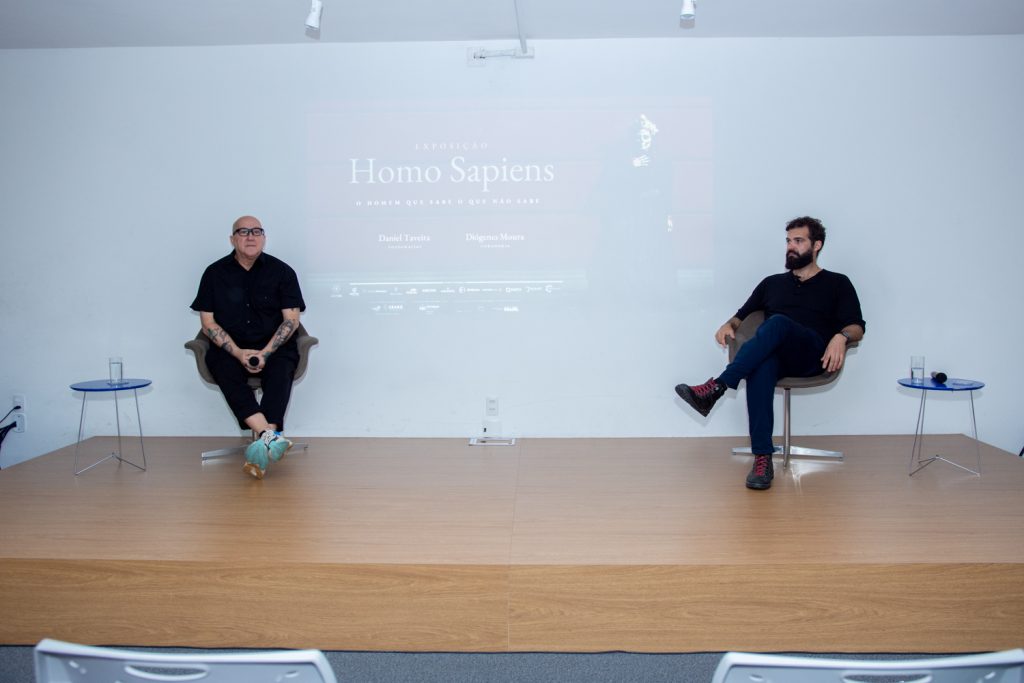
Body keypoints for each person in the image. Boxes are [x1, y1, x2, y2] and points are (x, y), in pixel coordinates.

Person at [674, 216, 865, 490]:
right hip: (777, 357)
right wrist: (728, 325)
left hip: (813, 356)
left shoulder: (837, 283)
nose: (791, 246)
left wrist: (841, 336)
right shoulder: (771, 283)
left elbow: (857, 326)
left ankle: (717, 387)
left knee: (777, 322)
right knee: (761, 365)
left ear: (817, 245)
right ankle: (763, 458)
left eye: (798, 241)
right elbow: (740, 318)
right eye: (788, 241)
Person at [191, 215, 306, 479]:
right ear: (233, 239)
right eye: (243, 232)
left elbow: (291, 320)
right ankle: (271, 439)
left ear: (264, 238)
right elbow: (208, 322)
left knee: (280, 371)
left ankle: (262, 446)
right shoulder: (214, 273)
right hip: (230, 347)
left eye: (256, 231)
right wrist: (239, 352)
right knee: (224, 368)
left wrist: (265, 352)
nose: (250, 236)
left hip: (274, 347)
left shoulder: (283, 272)